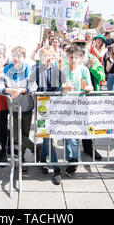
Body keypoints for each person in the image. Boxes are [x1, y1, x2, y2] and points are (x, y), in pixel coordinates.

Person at [0, 46, 38, 172]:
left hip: (27, 108)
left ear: (24, 57)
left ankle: (21, 159)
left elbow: (33, 86)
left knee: (24, 134)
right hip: (13, 108)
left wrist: (21, 90)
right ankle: (35, 148)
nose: (16, 58)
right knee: (16, 135)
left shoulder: (29, 68)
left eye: (19, 56)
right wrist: (8, 90)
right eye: (14, 55)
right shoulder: (7, 68)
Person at [30, 46, 66, 185]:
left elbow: (59, 86)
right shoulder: (36, 69)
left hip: (53, 106)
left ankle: (42, 160)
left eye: (50, 55)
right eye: (44, 56)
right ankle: (56, 168)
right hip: (41, 107)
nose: (48, 58)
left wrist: (61, 68)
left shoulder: (56, 70)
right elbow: (32, 84)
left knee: (47, 136)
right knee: (47, 136)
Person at [62, 44, 94, 177]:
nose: (73, 60)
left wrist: (86, 87)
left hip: (79, 105)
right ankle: (71, 157)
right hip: (65, 105)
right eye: (71, 57)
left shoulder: (84, 70)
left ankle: (73, 160)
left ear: (80, 58)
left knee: (74, 135)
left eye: (76, 57)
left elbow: (90, 87)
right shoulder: (63, 69)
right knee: (67, 135)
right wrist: (64, 88)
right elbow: (59, 86)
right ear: (68, 57)